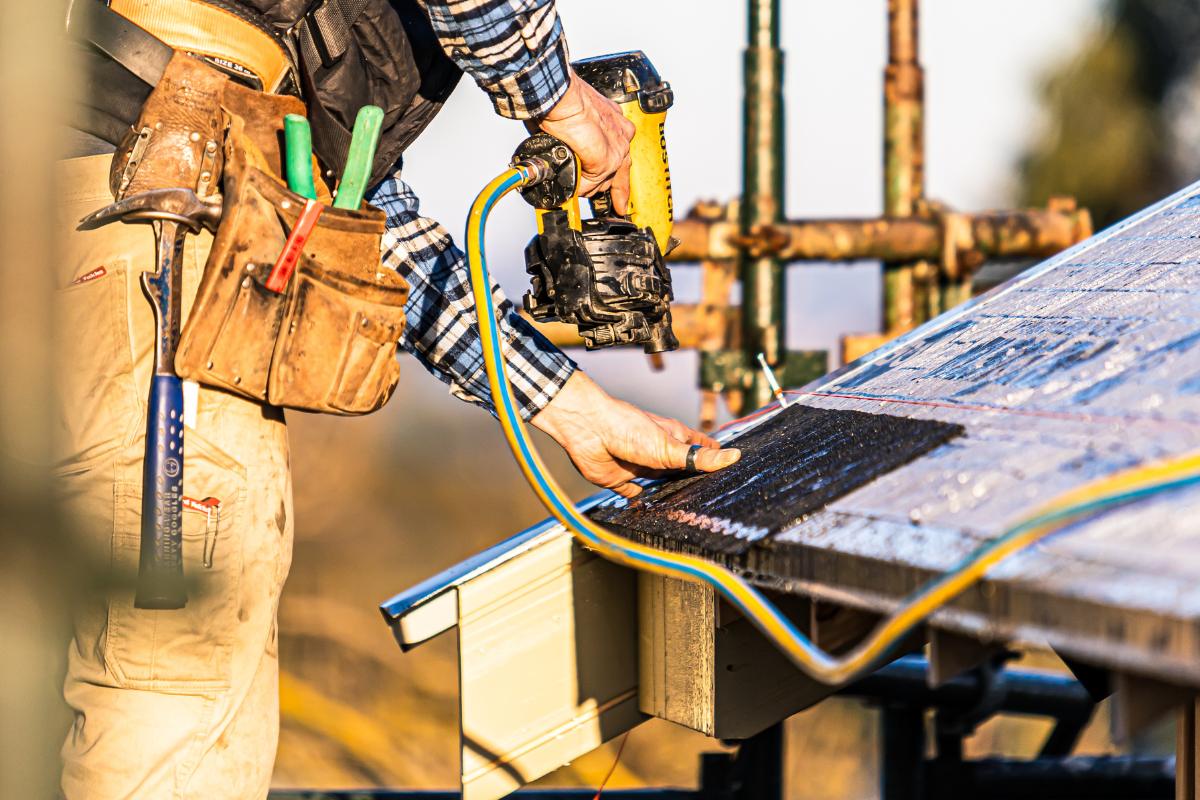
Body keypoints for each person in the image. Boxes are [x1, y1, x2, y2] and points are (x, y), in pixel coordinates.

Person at [58, 0, 739, 797]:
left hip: (101, 182)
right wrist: (559, 102)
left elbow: (376, 230)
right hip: (152, 206)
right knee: (169, 680)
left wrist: (571, 408)